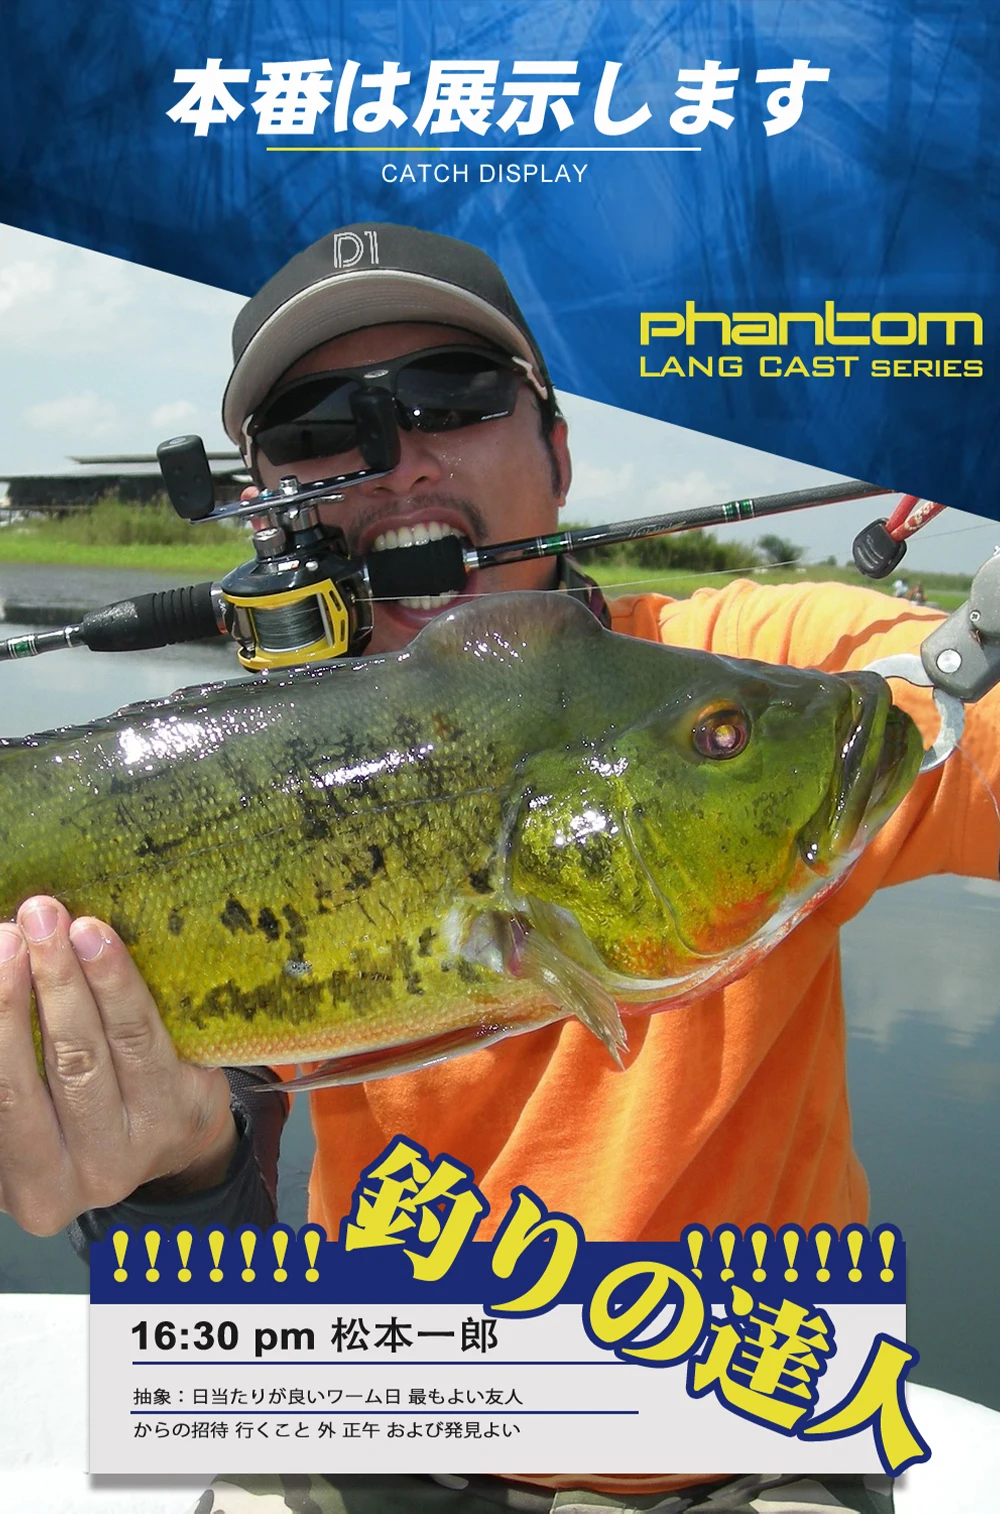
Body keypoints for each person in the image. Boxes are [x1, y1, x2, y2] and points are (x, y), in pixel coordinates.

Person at [1, 224, 997, 1514]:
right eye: (318, 427)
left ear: (559, 450)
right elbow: (212, 1317)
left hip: (744, 1458)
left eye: (453, 397)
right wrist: (163, 1182)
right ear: (265, 498)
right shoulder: (230, 773)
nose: (398, 457)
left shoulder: (764, 667)